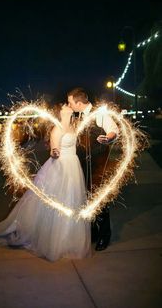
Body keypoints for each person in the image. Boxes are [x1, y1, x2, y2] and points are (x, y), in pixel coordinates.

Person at [0, 104, 91, 262]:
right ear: (60, 112)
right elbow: (53, 149)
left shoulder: (73, 127)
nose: (68, 106)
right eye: (65, 105)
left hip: (73, 166)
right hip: (60, 168)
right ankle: (54, 241)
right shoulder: (57, 129)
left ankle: (69, 240)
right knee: (57, 201)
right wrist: (55, 152)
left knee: (72, 201)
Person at [67, 87, 119, 251]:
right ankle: (94, 232)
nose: (69, 105)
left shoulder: (99, 114)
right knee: (86, 197)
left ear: (79, 102)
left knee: (99, 198)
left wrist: (107, 138)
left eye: (70, 102)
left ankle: (105, 235)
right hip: (83, 164)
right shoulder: (79, 116)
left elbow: (114, 130)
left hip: (97, 164)